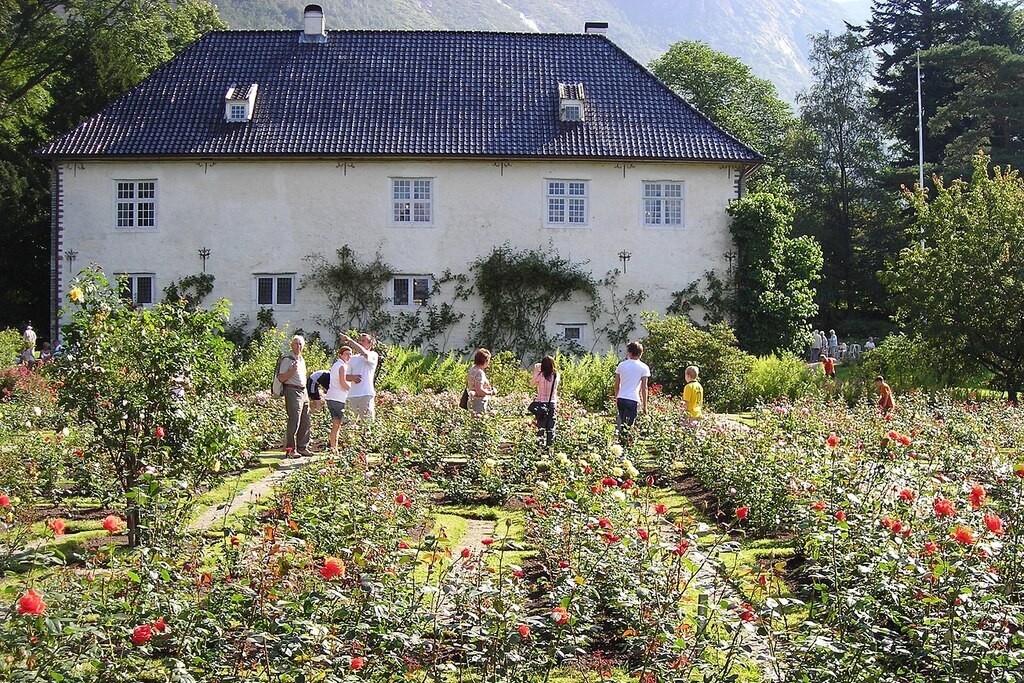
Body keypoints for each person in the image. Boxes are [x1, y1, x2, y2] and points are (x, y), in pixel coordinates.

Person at [277, 335, 311, 456]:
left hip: (303, 391)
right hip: (292, 390)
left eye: (300, 344)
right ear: (292, 345)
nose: (298, 346)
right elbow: (281, 377)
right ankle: (290, 449)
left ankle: (302, 447)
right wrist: (292, 370)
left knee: (305, 420)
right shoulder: (288, 359)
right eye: (296, 343)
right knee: (294, 419)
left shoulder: (301, 359)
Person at [614, 341, 650, 437]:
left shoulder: (621, 365)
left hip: (621, 398)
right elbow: (644, 388)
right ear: (640, 353)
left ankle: (620, 444)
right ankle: (626, 446)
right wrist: (645, 405)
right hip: (633, 399)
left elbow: (617, 384)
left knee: (621, 423)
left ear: (629, 352)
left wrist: (616, 396)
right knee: (629, 426)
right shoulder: (644, 367)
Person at [341, 332, 379, 421]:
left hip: (366, 395)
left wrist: (350, 341)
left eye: (363, 341)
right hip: (352, 395)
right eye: (360, 340)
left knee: (367, 424)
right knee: (348, 424)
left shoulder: (373, 355)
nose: (360, 342)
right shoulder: (353, 358)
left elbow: (364, 353)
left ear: (370, 344)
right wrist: (353, 377)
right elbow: (346, 376)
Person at [325, 345, 353, 453]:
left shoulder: (335, 365)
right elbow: (343, 382)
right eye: (346, 354)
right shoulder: (342, 366)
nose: (349, 356)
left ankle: (333, 448)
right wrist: (352, 391)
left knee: (336, 425)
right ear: (341, 355)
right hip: (339, 398)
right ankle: (347, 449)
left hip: (331, 397)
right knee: (348, 423)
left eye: (350, 354)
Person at [530, 355, 559, 448]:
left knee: (540, 427)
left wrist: (536, 371)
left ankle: (539, 448)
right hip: (552, 403)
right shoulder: (556, 375)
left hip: (541, 403)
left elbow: (531, 384)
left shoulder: (540, 375)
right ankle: (549, 448)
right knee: (551, 427)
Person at [466, 348, 497, 415]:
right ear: (485, 361)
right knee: (479, 421)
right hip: (479, 403)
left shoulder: (472, 369)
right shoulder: (480, 373)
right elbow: (479, 390)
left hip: (471, 401)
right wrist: (491, 392)